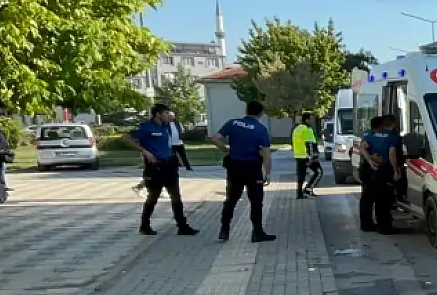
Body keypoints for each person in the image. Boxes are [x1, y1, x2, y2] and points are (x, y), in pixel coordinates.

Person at [124, 104, 199, 236]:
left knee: (176, 196)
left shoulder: (166, 127)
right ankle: (145, 225)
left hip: (169, 164)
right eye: (165, 113)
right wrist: (144, 151)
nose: (168, 116)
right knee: (153, 196)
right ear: (158, 114)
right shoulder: (146, 127)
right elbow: (125, 138)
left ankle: (182, 226)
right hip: (154, 167)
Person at [211, 101, 276, 243]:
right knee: (256, 201)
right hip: (252, 168)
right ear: (260, 113)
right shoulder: (261, 129)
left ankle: (224, 230)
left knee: (231, 199)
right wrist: (268, 173)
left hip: (234, 167)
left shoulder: (232, 123)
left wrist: (226, 149)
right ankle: (257, 233)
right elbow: (266, 153)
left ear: (246, 110)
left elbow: (215, 138)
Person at [358, 116, 399, 234]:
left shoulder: (368, 135)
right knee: (383, 199)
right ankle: (384, 227)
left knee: (366, 198)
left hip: (369, 170)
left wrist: (370, 160)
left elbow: (362, 147)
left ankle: (366, 224)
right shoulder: (391, 138)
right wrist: (396, 171)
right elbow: (392, 155)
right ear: (382, 126)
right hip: (383, 170)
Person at [291, 114, 319, 199]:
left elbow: (293, 142)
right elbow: (309, 144)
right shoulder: (307, 129)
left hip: (298, 155)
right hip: (307, 157)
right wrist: (311, 157)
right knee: (318, 172)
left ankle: (299, 194)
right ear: (306, 120)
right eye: (310, 119)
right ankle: (308, 189)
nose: (312, 121)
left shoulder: (296, 129)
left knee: (301, 175)